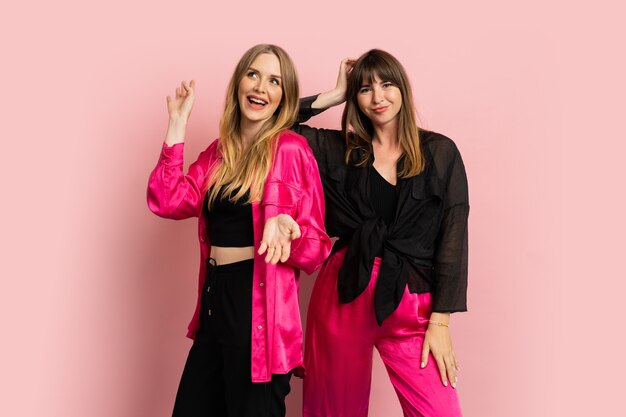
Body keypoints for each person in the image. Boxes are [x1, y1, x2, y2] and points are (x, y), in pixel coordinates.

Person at [147, 44, 331, 417]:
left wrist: (288, 229)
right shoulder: (218, 153)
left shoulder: (292, 150)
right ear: (238, 83)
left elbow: (317, 246)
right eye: (253, 74)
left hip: (259, 310)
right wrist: (177, 128)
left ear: (283, 96)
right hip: (215, 302)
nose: (261, 86)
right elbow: (168, 201)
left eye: (274, 80)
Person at [293, 50, 469, 417]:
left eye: (387, 84)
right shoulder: (339, 150)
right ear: (354, 98)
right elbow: (271, 128)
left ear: (402, 89)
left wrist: (441, 321)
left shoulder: (440, 152)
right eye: (365, 89)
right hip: (343, 295)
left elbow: (454, 234)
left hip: (412, 302)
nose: (378, 97)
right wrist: (332, 94)